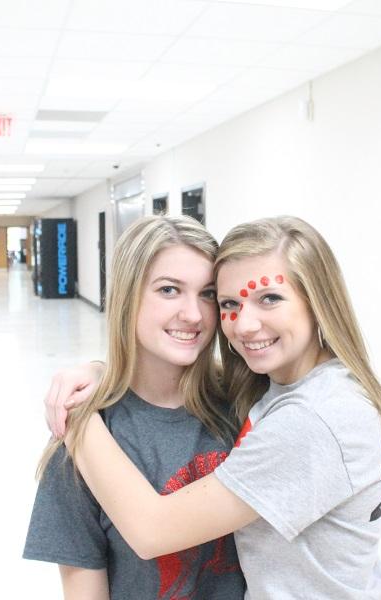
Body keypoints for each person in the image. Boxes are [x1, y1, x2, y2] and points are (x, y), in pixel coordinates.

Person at [61, 216, 381, 599]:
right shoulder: (273, 392)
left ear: (318, 301)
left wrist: (76, 417)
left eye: (269, 297)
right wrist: (102, 371)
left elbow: (152, 530)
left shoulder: (311, 418)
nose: (245, 324)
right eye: (229, 303)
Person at [23, 215, 246, 599]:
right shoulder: (86, 436)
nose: (193, 314)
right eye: (169, 290)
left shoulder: (244, 403)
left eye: (208, 294)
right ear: (127, 295)